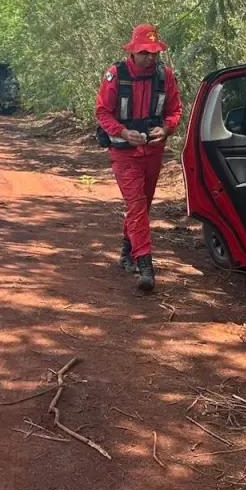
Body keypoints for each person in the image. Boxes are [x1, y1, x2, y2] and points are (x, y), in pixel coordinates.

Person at [96, 23, 183, 292]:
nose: (150, 58)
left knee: (142, 207)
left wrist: (166, 128)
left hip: (153, 152)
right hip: (124, 153)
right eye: (145, 52)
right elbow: (102, 112)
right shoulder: (115, 75)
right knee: (136, 205)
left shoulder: (164, 76)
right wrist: (123, 131)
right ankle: (145, 265)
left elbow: (175, 110)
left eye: (154, 53)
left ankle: (126, 253)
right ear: (133, 51)